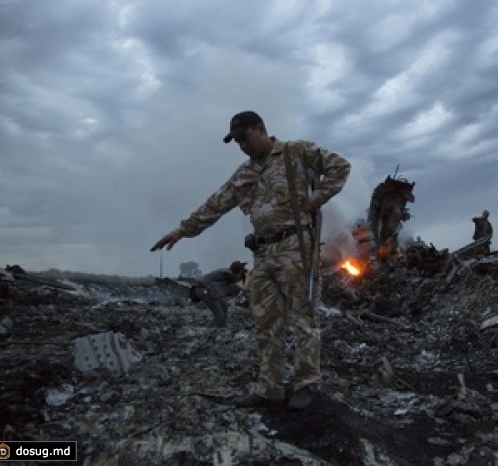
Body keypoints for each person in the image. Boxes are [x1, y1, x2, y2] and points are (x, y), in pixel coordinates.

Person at [150, 110, 351, 410]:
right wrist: (183, 230)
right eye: (236, 142)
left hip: (296, 247)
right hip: (263, 253)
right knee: (267, 321)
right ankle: (269, 388)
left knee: (304, 318)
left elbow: (340, 167)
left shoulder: (296, 152)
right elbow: (217, 203)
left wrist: (316, 198)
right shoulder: (245, 173)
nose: (241, 146)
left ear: (260, 129)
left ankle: (306, 382)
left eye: (244, 138)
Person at [189, 260, 249, 327]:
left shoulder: (226, 272)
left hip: (209, 290)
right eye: (242, 270)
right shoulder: (229, 274)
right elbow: (245, 288)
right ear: (239, 271)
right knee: (219, 315)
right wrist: (247, 276)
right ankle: (207, 332)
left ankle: (224, 329)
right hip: (203, 290)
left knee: (225, 307)